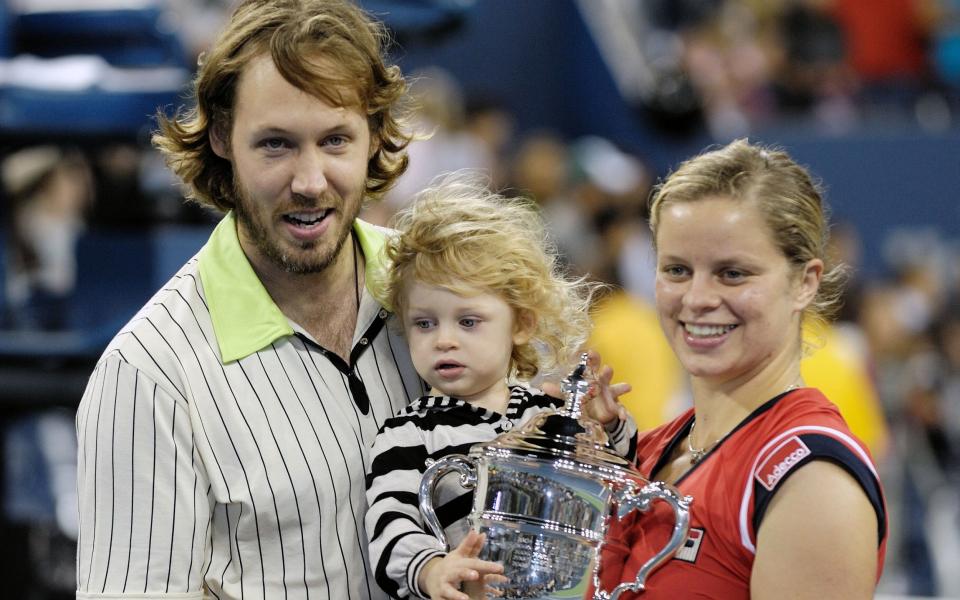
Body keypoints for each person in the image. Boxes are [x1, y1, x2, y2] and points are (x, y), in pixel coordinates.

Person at [75, 1, 427, 598]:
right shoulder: (147, 376)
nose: (311, 181)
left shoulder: (441, 285)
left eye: (335, 139)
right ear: (220, 138)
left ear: (372, 135)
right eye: (276, 145)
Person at [596, 139, 887, 599]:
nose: (696, 299)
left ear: (804, 283)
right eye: (676, 270)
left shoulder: (813, 482)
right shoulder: (648, 452)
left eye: (732, 273)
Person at [364, 174, 637, 600]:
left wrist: (606, 429)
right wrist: (432, 571)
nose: (444, 339)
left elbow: (613, 490)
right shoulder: (408, 432)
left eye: (468, 321)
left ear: (522, 324)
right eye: (424, 323)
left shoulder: (546, 414)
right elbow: (389, 524)